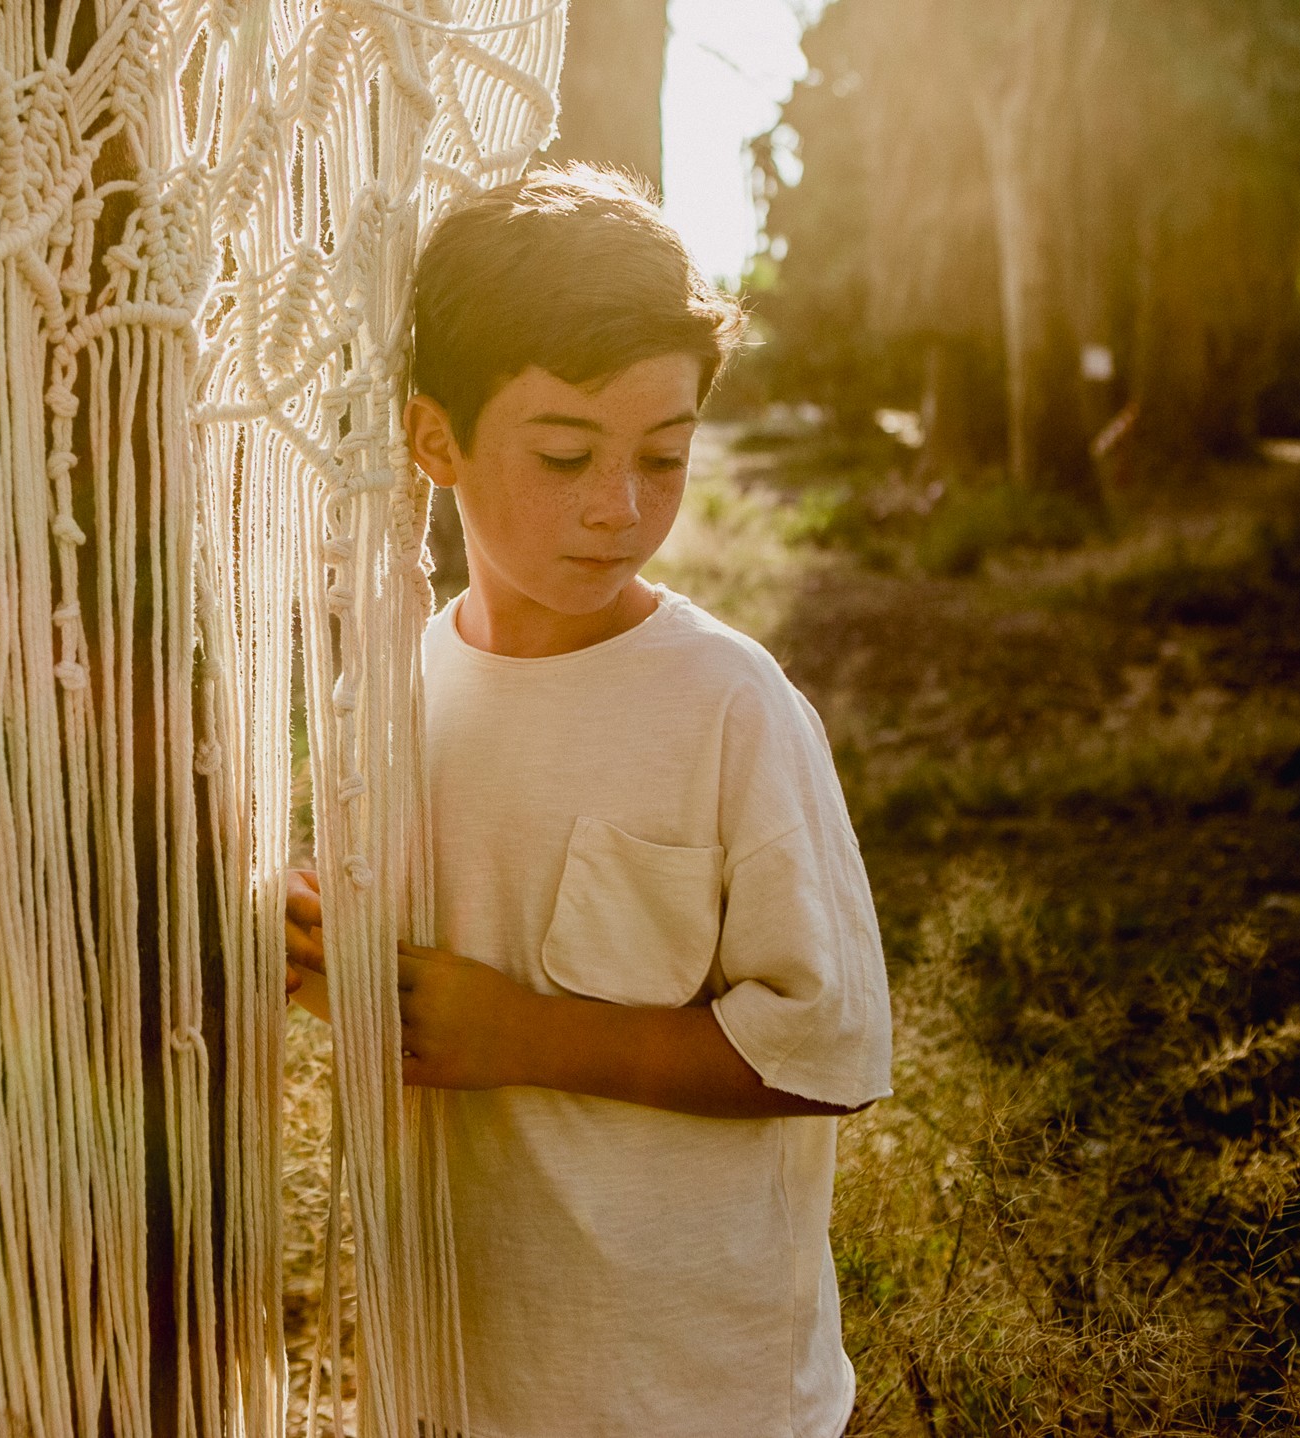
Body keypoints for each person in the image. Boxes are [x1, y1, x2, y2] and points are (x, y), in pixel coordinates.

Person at [282, 166, 893, 1438]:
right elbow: (402, 947)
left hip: (692, 1388)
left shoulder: (727, 706)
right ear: (432, 437)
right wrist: (315, 940)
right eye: (565, 454)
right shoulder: (393, 693)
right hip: (464, 1368)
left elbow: (826, 1042)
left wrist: (519, 1035)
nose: (619, 505)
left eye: (661, 457)